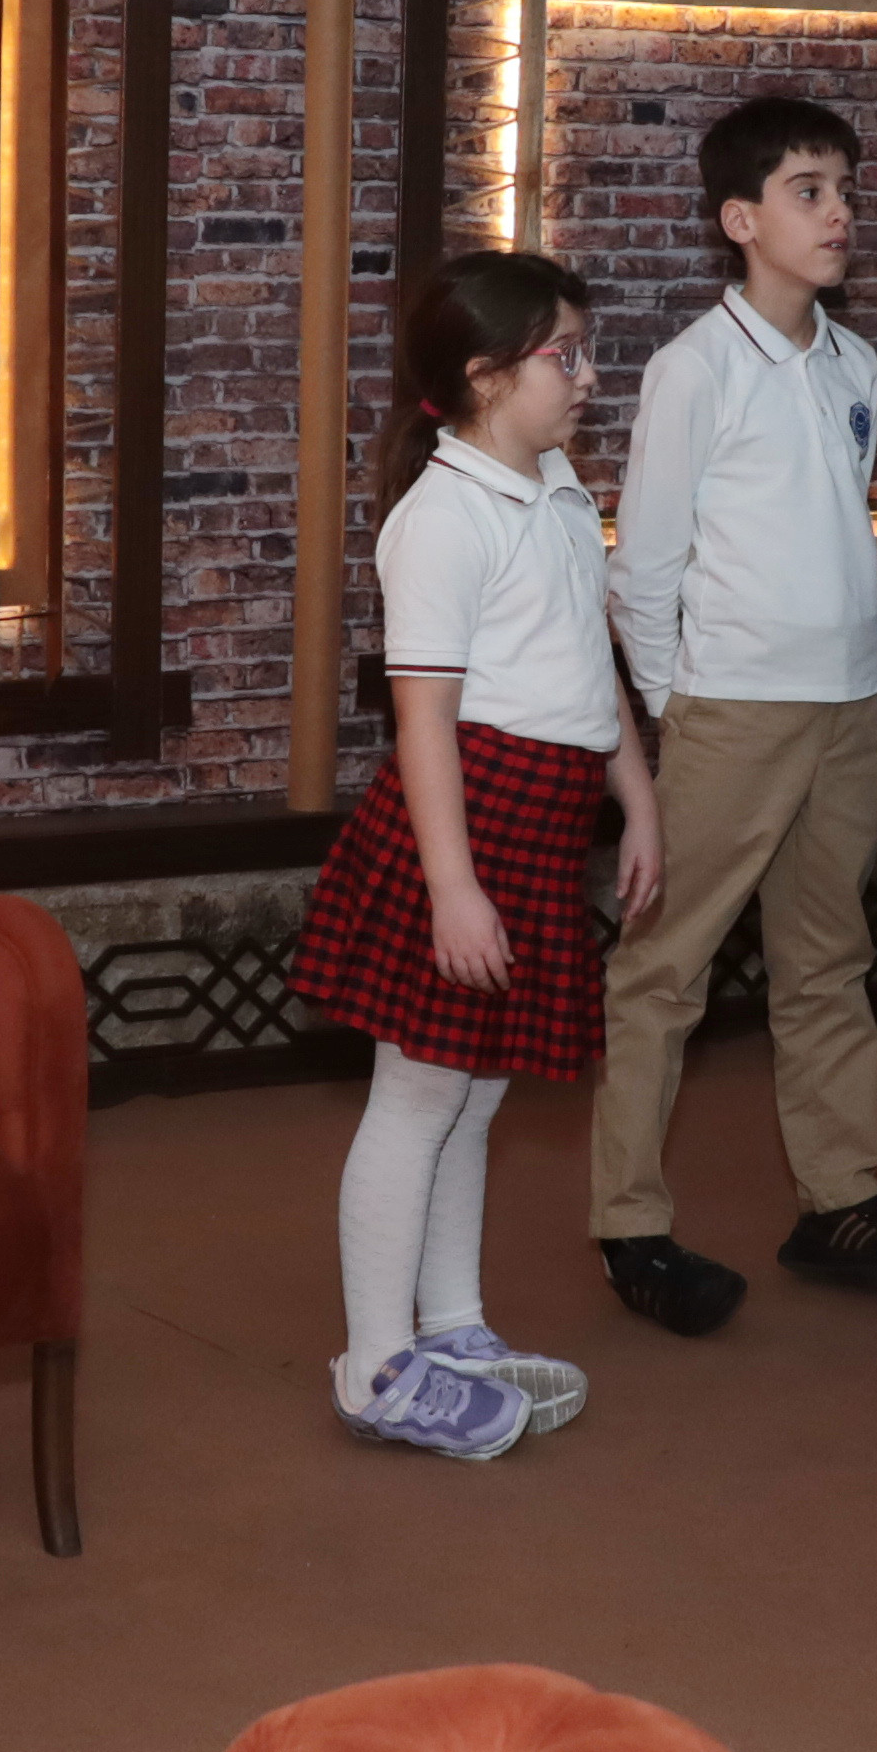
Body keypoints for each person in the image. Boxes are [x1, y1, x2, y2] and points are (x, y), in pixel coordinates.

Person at [284, 252, 663, 1460]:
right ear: (488, 374)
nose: (588, 376)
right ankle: (375, 1364)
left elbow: (587, 656)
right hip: (467, 820)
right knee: (419, 1090)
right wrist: (452, 888)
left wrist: (638, 795)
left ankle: (449, 1324)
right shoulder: (441, 518)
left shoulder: (554, 481)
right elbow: (423, 722)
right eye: (566, 355)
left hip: (542, 821)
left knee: (478, 1088)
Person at [585, 93, 877, 1334]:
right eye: (808, 190)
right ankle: (629, 1224)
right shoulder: (695, 368)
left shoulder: (854, 360)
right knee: (662, 970)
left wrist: (865, 677)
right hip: (733, 708)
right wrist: (678, 705)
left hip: (853, 702)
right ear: (740, 220)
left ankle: (840, 1200)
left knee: (829, 960)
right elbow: (645, 563)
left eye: (845, 189)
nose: (839, 212)